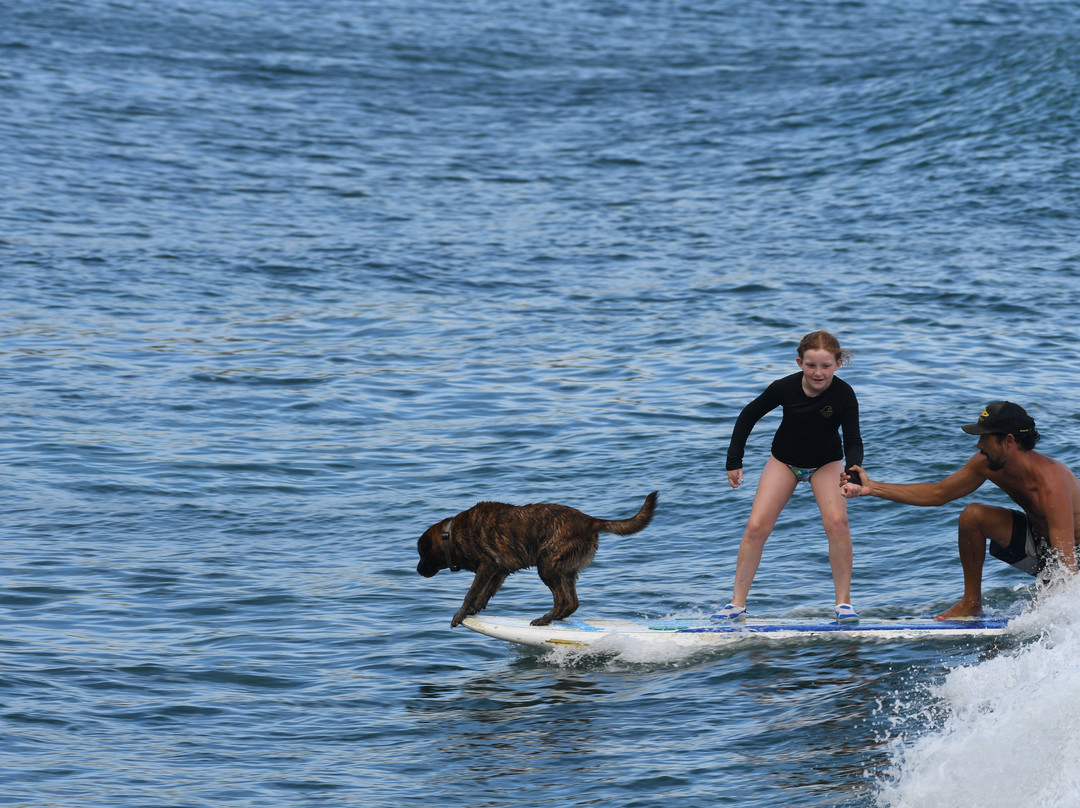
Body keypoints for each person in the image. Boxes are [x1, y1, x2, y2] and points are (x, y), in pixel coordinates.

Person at [842, 401, 1080, 620]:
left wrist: (1047, 610)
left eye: (985, 438)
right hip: (1041, 544)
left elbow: (1067, 568)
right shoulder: (987, 463)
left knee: (1043, 618)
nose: (979, 445)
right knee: (973, 516)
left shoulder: (1052, 484)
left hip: (1072, 557)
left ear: (1008, 441)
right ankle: (971, 602)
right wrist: (871, 488)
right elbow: (938, 494)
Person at [716, 330, 864, 623]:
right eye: (811, 365)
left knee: (837, 523)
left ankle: (844, 604)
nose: (818, 373)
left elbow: (853, 441)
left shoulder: (844, 394)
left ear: (837, 364)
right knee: (756, 527)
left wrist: (854, 472)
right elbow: (748, 415)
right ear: (799, 362)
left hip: (826, 463)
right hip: (784, 462)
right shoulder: (784, 388)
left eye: (825, 366)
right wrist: (734, 460)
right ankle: (736, 605)